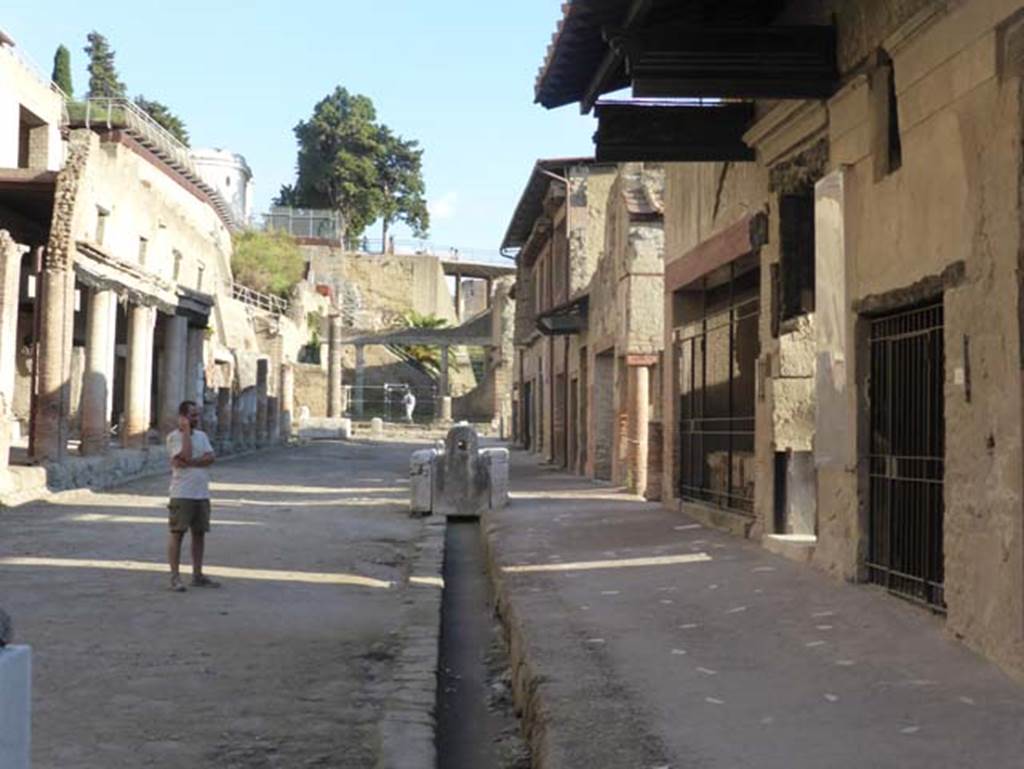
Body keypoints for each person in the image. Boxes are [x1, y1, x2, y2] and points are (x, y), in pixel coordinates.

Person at [165, 400, 219, 592]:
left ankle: (197, 574)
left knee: (199, 534)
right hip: (182, 493)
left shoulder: (202, 436)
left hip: (201, 493)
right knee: (177, 534)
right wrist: (186, 432)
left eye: (197, 415)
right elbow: (183, 457)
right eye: (192, 415)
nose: (197, 418)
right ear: (183, 418)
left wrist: (193, 462)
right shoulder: (174, 437)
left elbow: (211, 457)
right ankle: (175, 577)